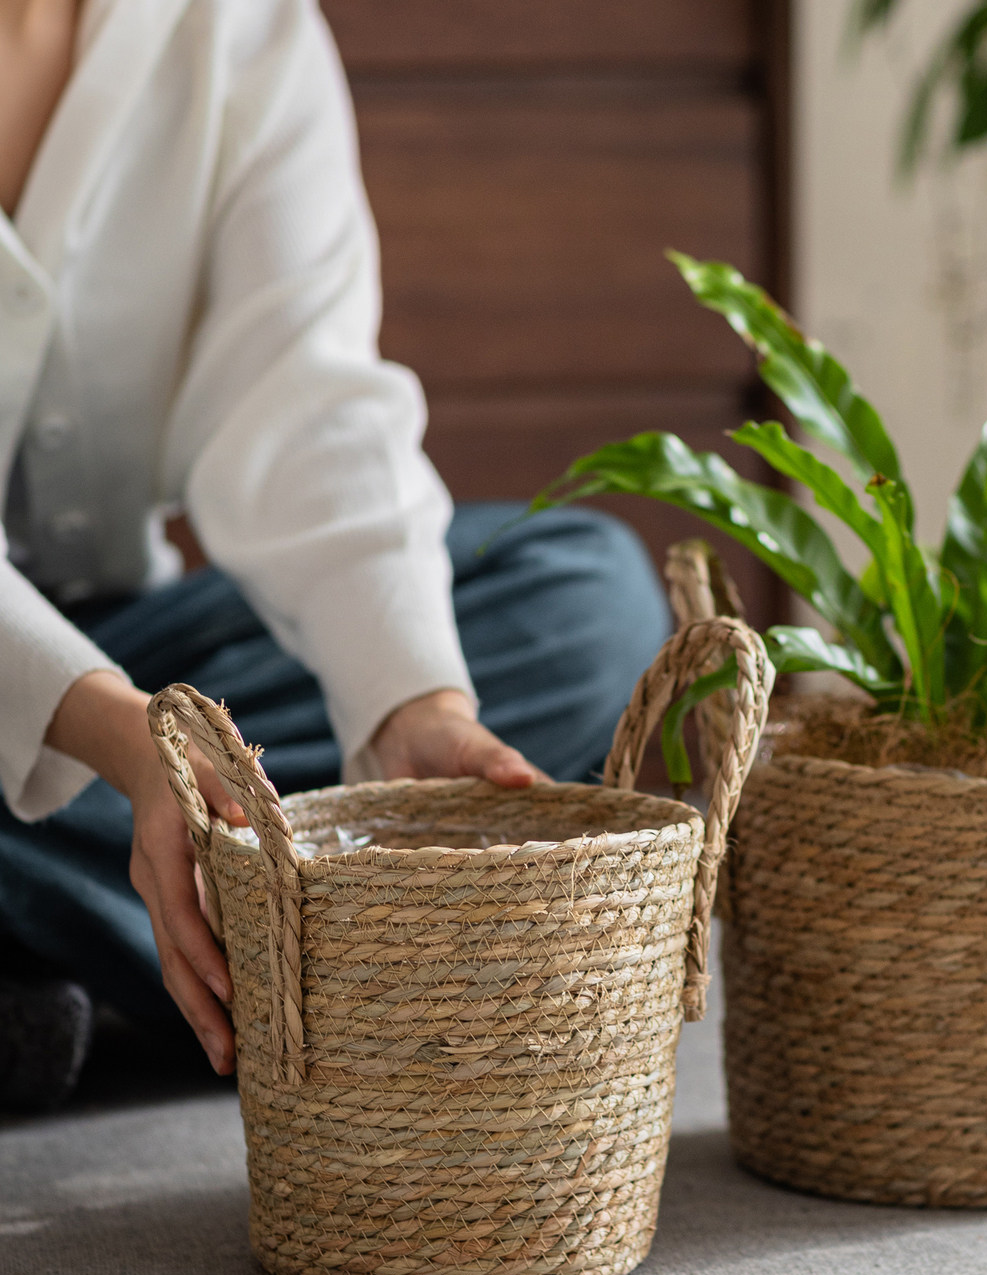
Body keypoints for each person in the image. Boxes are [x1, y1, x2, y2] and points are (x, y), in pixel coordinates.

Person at [0, 0, 670, 1108]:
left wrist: (411, 708)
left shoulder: (241, 26)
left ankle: (120, 949)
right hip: (101, 717)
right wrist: (125, 744)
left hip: (130, 645)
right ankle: (257, 960)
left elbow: (300, 401)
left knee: (582, 602)